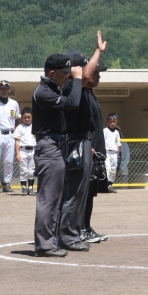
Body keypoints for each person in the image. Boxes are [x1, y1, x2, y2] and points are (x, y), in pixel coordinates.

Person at [58, 31, 107, 252]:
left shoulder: (83, 90)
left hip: (85, 145)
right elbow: (85, 77)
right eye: (90, 68)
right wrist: (98, 50)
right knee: (75, 193)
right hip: (75, 145)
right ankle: (71, 232)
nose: (96, 73)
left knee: (84, 192)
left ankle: (79, 230)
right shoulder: (71, 86)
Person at [32, 54, 82, 257]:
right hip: (49, 145)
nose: (68, 78)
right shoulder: (43, 92)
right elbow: (73, 104)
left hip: (56, 144)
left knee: (55, 197)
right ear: (52, 73)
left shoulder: (52, 88)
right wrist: (77, 80)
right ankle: (44, 245)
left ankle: (50, 241)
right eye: (65, 74)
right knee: (49, 197)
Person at [80, 65, 109, 244]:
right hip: (87, 150)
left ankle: (86, 227)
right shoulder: (82, 93)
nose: (98, 77)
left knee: (90, 193)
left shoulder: (90, 93)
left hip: (95, 152)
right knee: (83, 193)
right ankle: (81, 229)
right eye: (96, 73)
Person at [13, 107, 37, 195]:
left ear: (32, 117)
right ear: (22, 117)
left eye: (29, 117)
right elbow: (17, 141)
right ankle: (23, 187)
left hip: (33, 150)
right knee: (23, 170)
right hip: (23, 150)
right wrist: (17, 153)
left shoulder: (35, 126)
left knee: (31, 170)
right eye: (25, 117)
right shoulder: (19, 127)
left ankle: (30, 187)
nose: (27, 119)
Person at [103, 113, 121, 193]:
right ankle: (105, 185)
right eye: (110, 121)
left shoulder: (117, 132)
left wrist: (118, 152)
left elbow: (118, 143)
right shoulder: (105, 131)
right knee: (107, 168)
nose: (112, 123)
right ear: (107, 122)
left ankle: (110, 184)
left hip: (114, 152)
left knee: (114, 169)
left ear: (117, 122)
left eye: (114, 121)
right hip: (107, 151)